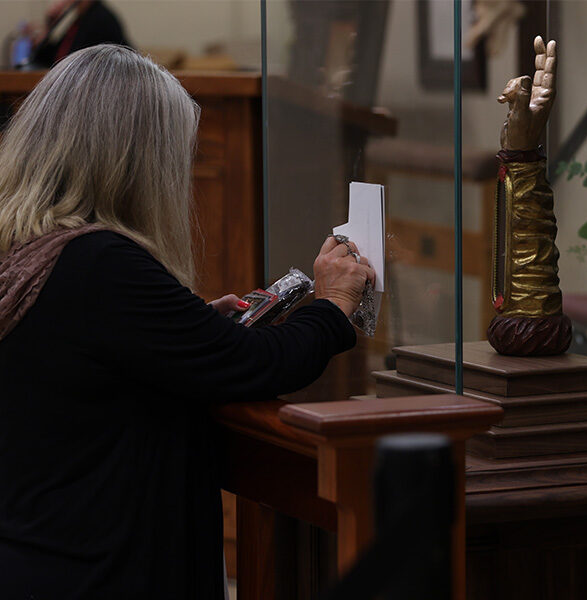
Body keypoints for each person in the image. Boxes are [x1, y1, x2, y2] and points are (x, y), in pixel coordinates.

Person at [0, 45, 374, 599]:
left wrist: (190, 326)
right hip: (93, 569)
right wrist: (333, 303)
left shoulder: (31, 244)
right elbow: (254, 364)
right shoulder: (99, 261)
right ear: (132, 161)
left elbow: (91, 352)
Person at [30, 0, 129, 67]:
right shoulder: (80, 20)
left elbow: (72, 62)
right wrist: (50, 26)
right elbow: (52, 59)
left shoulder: (100, 19)